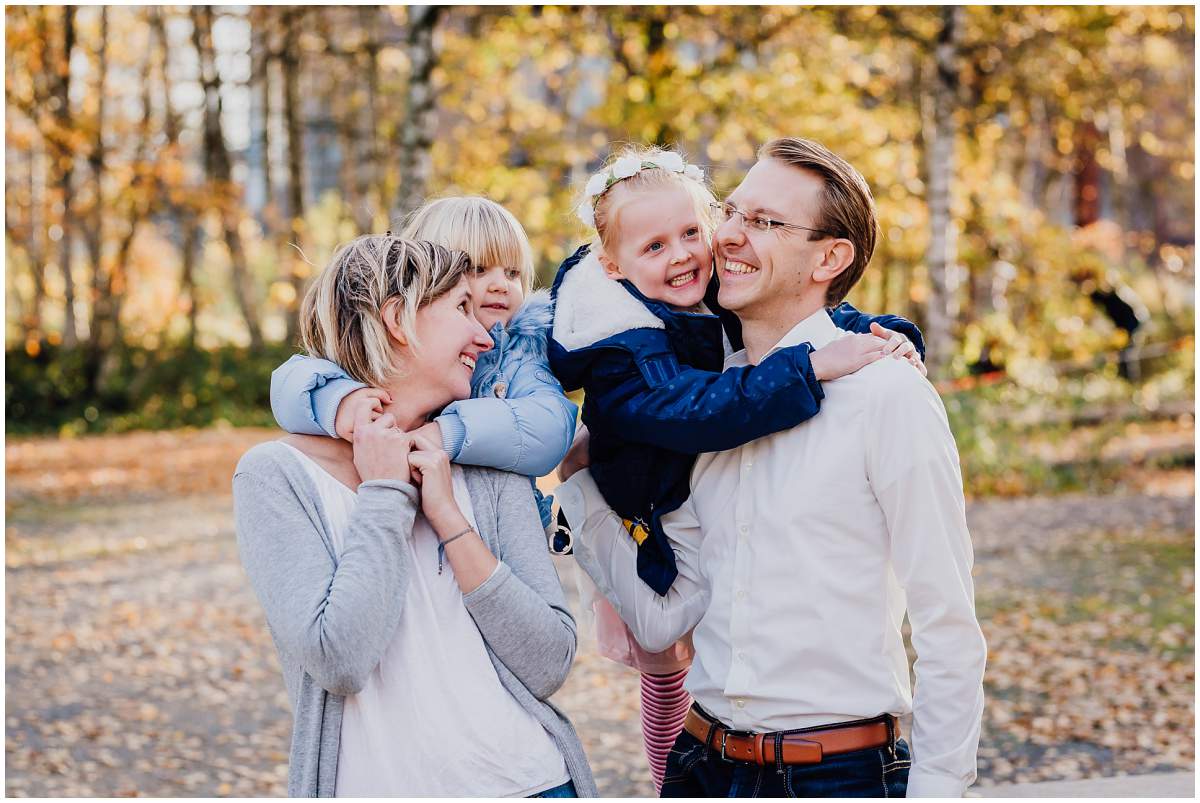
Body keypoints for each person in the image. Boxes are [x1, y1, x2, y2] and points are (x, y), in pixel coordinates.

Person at [556, 137, 987, 797]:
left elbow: (948, 622)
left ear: (829, 258)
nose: (726, 235)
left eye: (763, 222)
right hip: (701, 764)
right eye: (730, 211)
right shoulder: (692, 395)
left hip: (836, 775)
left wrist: (938, 789)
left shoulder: (887, 394)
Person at [233, 236, 596, 797]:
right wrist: (384, 491)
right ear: (398, 318)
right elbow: (341, 658)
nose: (485, 334)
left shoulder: (484, 455)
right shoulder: (275, 476)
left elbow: (549, 661)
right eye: (460, 310)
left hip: (530, 784)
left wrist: (450, 519)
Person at [270, 196, 577, 532]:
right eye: (479, 269)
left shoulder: (519, 354)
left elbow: (550, 426)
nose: (501, 284)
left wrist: (446, 432)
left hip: (494, 524)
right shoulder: (391, 348)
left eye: (513, 272)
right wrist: (339, 401)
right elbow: (291, 381)